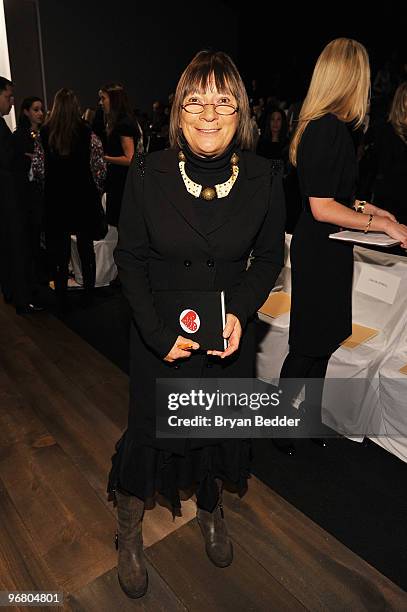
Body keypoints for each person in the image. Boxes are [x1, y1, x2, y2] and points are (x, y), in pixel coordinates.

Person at [108, 49, 285, 599]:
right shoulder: (147, 171)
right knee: (150, 434)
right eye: (196, 100)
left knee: (212, 430)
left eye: (224, 101)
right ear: (178, 112)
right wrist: (159, 335)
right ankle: (130, 531)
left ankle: (210, 510)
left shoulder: (265, 175)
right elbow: (131, 258)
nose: (210, 113)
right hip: (158, 335)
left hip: (225, 340)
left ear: (242, 113)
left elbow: (269, 258)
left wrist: (242, 311)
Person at [278, 38, 407, 456]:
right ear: (350, 77)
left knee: (326, 340)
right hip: (319, 249)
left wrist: (379, 214)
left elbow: (339, 196)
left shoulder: (331, 128)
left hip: (330, 248)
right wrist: (375, 224)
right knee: (306, 346)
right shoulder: (325, 128)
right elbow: (320, 207)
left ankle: (310, 418)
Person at [32, 88, 106, 309]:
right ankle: (89, 295)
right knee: (85, 249)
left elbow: (37, 170)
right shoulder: (87, 132)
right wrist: (97, 189)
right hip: (82, 199)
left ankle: (62, 295)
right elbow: (99, 168)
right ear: (75, 107)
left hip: (56, 200)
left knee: (60, 252)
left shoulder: (45, 134)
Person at [358, 81, 407, 230]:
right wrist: (360, 213)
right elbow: (365, 178)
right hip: (385, 215)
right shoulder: (382, 132)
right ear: (402, 103)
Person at [12, 97, 45, 305]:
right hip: (29, 197)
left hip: (43, 194)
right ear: (26, 112)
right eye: (36, 110)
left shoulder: (46, 134)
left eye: (41, 109)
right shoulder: (20, 136)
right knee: (33, 238)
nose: (40, 113)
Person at [98, 83, 141, 227]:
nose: (101, 103)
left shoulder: (123, 124)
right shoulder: (121, 122)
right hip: (121, 181)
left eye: (103, 99)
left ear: (114, 100)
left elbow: (130, 158)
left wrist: (104, 158)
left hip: (124, 183)